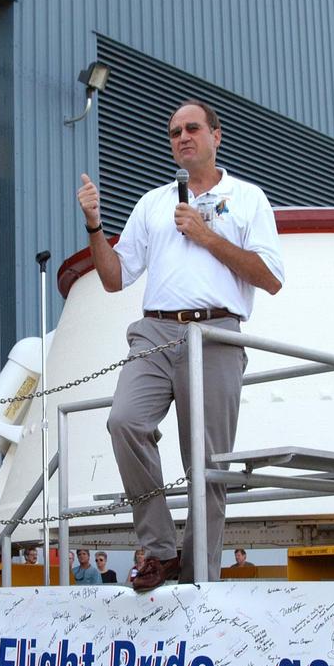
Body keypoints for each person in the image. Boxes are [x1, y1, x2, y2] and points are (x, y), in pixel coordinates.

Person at [78, 100, 284, 592]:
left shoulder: (249, 198)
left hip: (215, 334)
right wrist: (93, 224)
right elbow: (113, 278)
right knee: (124, 420)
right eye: (174, 132)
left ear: (217, 135)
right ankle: (161, 550)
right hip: (154, 331)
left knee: (207, 464)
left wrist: (207, 236)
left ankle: (197, 579)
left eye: (192, 128)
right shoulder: (152, 203)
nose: (182, 137)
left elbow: (271, 278)